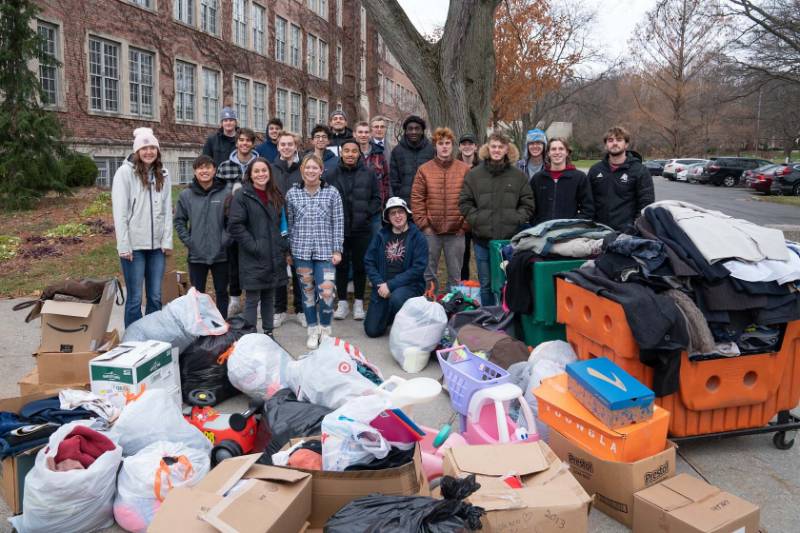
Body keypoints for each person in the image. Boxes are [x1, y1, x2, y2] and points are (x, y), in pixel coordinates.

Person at [459, 130, 535, 306]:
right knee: (485, 284)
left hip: (508, 243)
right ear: (488, 148)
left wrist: (515, 220)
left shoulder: (518, 176)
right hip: (482, 240)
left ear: (507, 149)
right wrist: (477, 220)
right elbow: (465, 203)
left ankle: (506, 319)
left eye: (501, 147)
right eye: (493, 146)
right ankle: (488, 318)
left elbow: (528, 204)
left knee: (506, 283)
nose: (497, 150)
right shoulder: (474, 175)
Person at [111, 127, 172, 327]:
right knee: (135, 299)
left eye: (153, 148)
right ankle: (133, 340)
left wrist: (167, 240)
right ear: (137, 151)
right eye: (144, 148)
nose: (149, 152)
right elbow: (120, 212)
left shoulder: (163, 173)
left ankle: (153, 338)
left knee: (155, 296)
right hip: (134, 248)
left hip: (157, 248)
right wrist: (123, 245)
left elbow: (167, 207)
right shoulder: (124, 173)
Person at [286, 154, 344, 349]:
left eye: (314, 168)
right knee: (307, 293)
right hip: (301, 253)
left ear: (321, 170)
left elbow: (338, 223)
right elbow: (289, 225)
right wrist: (289, 252)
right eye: (307, 168)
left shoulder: (332, 193)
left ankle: (325, 329)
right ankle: (312, 329)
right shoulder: (292, 194)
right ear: (302, 170)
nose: (310, 171)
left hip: (326, 252)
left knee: (326, 292)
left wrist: (338, 250)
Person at [227, 158, 288, 336]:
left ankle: (268, 332)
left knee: (270, 296)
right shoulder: (242, 195)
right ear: (250, 175)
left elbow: (282, 223)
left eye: (264, 171)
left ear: (269, 173)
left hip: (274, 254)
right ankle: (250, 335)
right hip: (253, 255)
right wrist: (254, 246)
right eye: (257, 171)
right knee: (253, 298)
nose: (261, 174)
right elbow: (236, 225)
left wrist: (282, 245)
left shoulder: (275, 194)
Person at [326, 138, 381, 321]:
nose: (350, 154)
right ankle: (342, 302)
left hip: (361, 228)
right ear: (341, 152)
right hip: (339, 229)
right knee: (341, 266)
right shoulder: (331, 174)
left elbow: (376, 198)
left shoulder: (369, 173)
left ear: (359, 154)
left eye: (354, 151)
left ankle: (358, 303)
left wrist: (366, 213)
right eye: (347, 150)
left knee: (359, 266)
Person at [410, 127, 470, 293]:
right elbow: (417, 199)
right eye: (440, 143)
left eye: (448, 143)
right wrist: (424, 225)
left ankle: (453, 310)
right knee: (428, 273)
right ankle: (430, 308)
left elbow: (472, 200)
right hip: (431, 232)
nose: (444, 147)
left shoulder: (464, 169)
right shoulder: (424, 170)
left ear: (453, 146)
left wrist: (463, 226)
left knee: (455, 276)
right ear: (435, 146)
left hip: (456, 232)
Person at [174, 155, 230, 318]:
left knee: (222, 292)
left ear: (214, 170)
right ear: (195, 171)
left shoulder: (226, 193)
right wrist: (189, 242)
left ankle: (221, 325)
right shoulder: (186, 195)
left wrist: (224, 241)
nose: (204, 171)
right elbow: (179, 221)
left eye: (208, 167)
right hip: (196, 254)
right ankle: (199, 327)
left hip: (221, 254)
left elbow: (232, 222)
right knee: (197, 295)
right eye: (200, 168)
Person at [363, 197, 428, 338]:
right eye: (393, 213)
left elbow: (418, 268)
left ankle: (410, 325)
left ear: (407, 213)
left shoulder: (417, 236)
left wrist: (390, 286)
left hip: (409, 286)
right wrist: (379, 283)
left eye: (400, 212)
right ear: (388, 217)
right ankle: (391, 317)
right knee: (372, 330)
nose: (397, 216)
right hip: (382, 285)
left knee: (397, 298)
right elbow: (369, 261)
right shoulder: (381, 235)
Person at [216, 127, 259, 316]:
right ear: (237, 142)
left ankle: (254, 298)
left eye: (248, 141)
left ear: (252, 144)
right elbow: (216, 193)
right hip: (231, 221)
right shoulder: (225, 166)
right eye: (241, 140)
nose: (245, 144)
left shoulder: (259, 165)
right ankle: (234, 298)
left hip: (254, 222)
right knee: (233, 260)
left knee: (253, 260)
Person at [588, 125, 655, 232]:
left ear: (626, 144)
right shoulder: (595, 170)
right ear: (606, 145)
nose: (614, 143)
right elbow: (588, 201)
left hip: (627, 232)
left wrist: (634, 228)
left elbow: (646, 203)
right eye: (610, 140)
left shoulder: (640, 170)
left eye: (619, 140)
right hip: (598, 231)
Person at [272, 131, 305, 327]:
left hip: (299, 227)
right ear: (278, 147)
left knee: (299, 269)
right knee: (278, 270)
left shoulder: (302, 168)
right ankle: (280, 309)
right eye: (282, 144)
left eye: (290, 144)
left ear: (296, 146)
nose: (286, 147)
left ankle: (301, 308)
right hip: (276, 226)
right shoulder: (271, 168)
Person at [529, 137, 595, 225]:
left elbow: (588, 209)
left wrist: (572, 225)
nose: (557, 152)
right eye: (553, 149)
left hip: (569, 232)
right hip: (541, 231)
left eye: (561, 149)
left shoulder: (579, 178)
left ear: (567, 152)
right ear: (548, 153)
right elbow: (530, 207)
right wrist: (537, 224)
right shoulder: (537, 179)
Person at [389, 115, 434, 204]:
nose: (414, 132)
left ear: (422, 131)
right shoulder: (397, 151)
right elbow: (394, 179)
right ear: (406, 131)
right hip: (404, 203)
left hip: (427, 202)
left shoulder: (431, 150)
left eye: (417, 129)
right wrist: (401, 196)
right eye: (410, 129)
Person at [356, 121, 390, 231]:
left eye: (366, 132)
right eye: (360, 132)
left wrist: (382, 202)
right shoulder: (351, 154)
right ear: (355, 134)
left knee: (376, 243)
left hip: (376, 209)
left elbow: (386, 180)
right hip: (356, 209)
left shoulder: (379, 155)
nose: (363, 135)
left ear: (370, 134)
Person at [457, 133, 480, 280]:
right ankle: (464, 287)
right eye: (464, 144)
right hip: (462, 217)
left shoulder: (483, 166)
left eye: (470, 144)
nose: (467, 147)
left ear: (475, 147)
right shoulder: (454, 166)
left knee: (481, 256)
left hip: (480, 217)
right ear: (459, 147)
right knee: (462, 256)